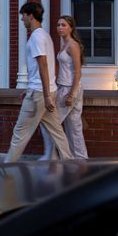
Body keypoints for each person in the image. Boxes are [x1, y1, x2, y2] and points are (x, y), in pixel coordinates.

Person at [4, 2, 72, 162]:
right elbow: (47, 66)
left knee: (20, 133)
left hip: (39, 94)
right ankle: (70, 163)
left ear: (31, 16)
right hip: (45, 91)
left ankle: (6, 169)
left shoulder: (36, 37)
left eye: (23, 16)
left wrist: (45, 95)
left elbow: (43, 64)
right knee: (57, 132)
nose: (22, 19)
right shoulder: (45, 35)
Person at [39, 14, 87, 160]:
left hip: (70, 88)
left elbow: (78, 72)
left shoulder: (73, 45)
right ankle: (79, 160)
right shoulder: (64, 44)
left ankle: (51, 157)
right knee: (74, 127)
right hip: (63, 86)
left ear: (71, 28)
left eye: (63, 25)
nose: (60, 28)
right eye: (58, 25)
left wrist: (71, 94)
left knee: (49, 123)